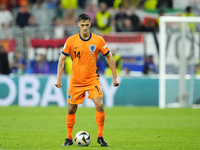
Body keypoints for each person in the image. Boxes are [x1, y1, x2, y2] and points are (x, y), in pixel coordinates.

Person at [55, 13, 119, 147]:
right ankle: (68, 138)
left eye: (87, 25)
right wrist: (58, 78)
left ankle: (100, 137)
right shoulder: (71, 41)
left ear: (90, 24)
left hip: (92, 79)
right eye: (82, 25)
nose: (85, 28)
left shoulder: (98, 40)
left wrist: (114, 76)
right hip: (76, 81)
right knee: (72, 108)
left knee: (99, 104)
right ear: (78, 25)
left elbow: (110, 57)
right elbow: (62, 59)